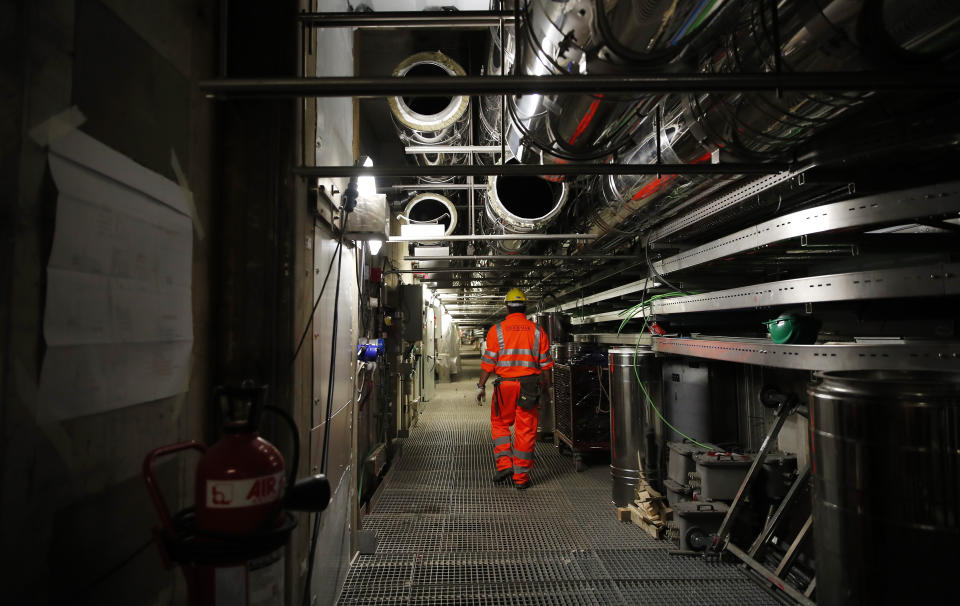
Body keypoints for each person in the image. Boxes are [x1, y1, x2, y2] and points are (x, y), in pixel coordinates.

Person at [475, 288, 553, 489]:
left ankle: (504, 465)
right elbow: (546, 366)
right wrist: (545, 390)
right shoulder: (537, 331)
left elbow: (488, 363)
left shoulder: (496, 330)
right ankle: (521, 479)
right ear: (525, 307)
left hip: (505, 387)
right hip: (529, 386)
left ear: (506, 306)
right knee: (525, 430)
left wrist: (481, 385)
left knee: (499, 423)